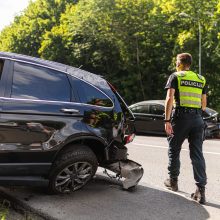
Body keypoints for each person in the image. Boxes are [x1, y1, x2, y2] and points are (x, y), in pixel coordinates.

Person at [164, 53, 207, 204]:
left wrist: (167, 120)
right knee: (197, 154)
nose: (176, 64)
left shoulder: (176, 76)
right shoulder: (201, 79)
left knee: (174, 149)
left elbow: (169, 98)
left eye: (176, 61)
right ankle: (200, 191)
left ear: (180, 63)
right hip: (197, 119)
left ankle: (173, 181)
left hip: (181, 118)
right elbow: (203, 104)